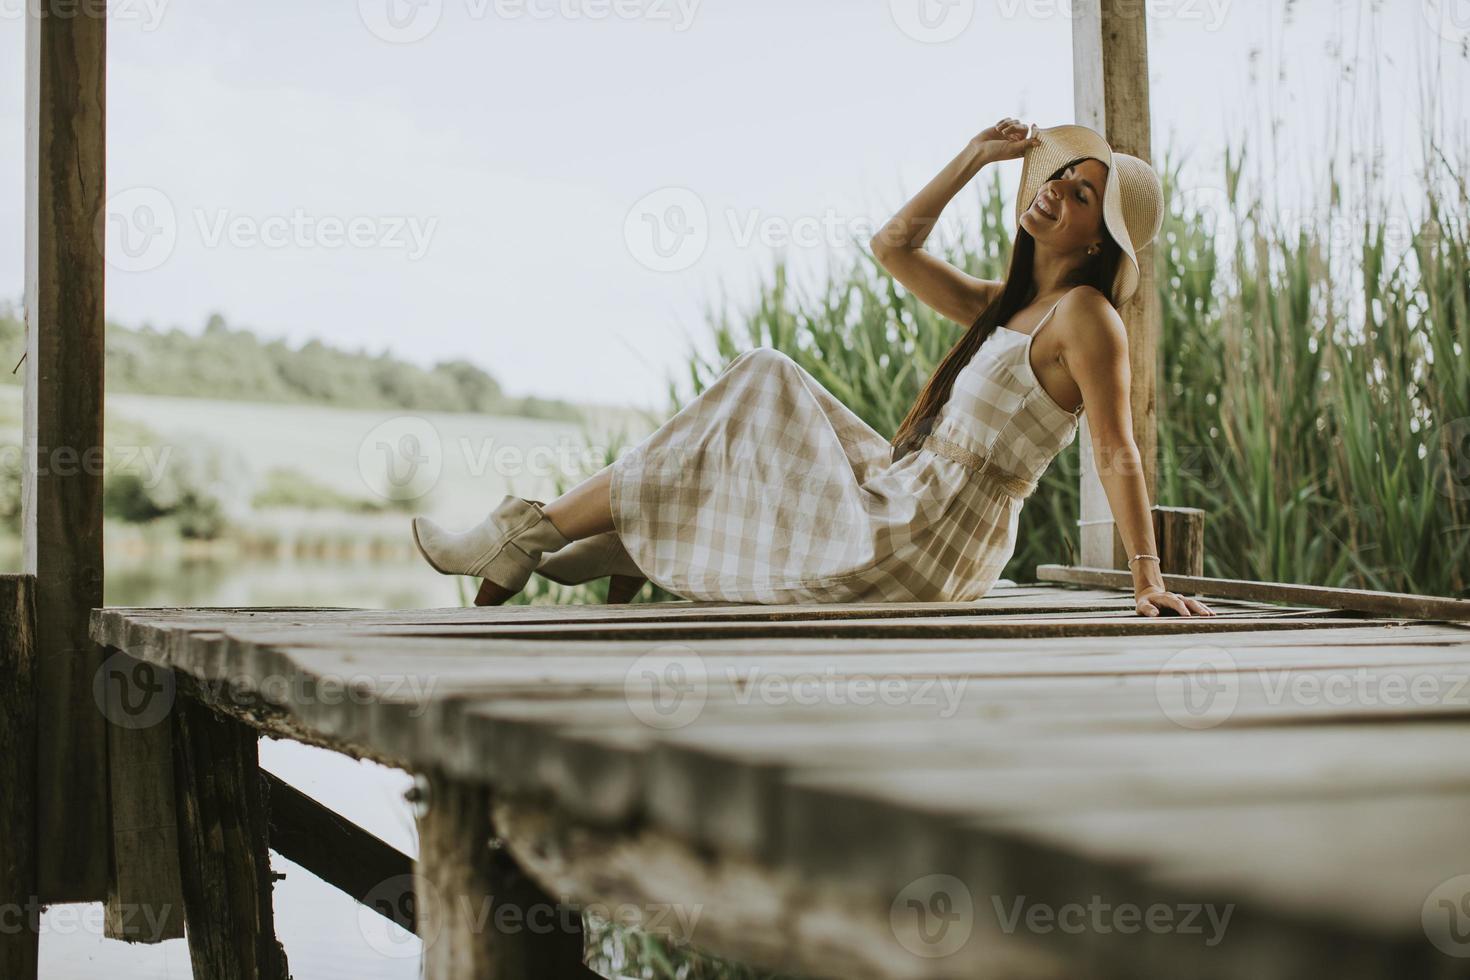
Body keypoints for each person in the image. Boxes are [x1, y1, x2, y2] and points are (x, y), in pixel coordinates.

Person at [411, 117, 1215, 618]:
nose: (1055, 194)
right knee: (767, 383)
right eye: (1060, 179)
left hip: (933, 536)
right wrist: (972, 158)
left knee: (763, 374)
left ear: (1095, 240)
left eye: (1079, 198)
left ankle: (532, 533)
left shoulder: (1087, 319)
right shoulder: (1003, 309)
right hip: (911, 493)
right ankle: (598, 532)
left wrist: (1146, 578)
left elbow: (1118, 449)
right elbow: (893, 248)